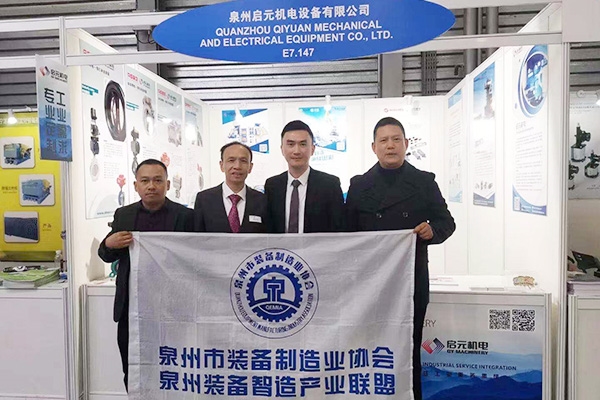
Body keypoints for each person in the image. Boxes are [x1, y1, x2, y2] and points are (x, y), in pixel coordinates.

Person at [345, 117, 455, 400]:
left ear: (406, 144)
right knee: (368, 346)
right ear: (374, 147)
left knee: (409, 347)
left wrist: (432, 231)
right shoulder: (359, 185)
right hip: (369, 284)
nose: (390, 145)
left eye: (396, 140)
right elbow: (346, 234)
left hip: (411, 281)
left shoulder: (424, 182)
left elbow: (446, 222)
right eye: (383, 140)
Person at [97, 159, 194, 391]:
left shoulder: (186, 216)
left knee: (175, 368)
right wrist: (109, 243)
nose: (151, 186)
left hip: (173, 309)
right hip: (132, 310)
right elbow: (106, 255)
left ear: (167, 184)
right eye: (145, 181)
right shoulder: (124, 215)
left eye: (158, 180)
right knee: (133, 368)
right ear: (136, 185)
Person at [265, 120, 344, 233]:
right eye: (291, 144)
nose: (296, 151)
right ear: (282, 149)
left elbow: (338, 229)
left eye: (302, 144)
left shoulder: (330, 185)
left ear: (312, 149)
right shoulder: (272, 186)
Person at [194, 142, 266, 233]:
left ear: (250, 167)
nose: (237, 166)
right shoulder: (204, 199)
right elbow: (197, 238)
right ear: (222, 165)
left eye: (243, 161)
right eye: (231, 160)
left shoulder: (262, 200)